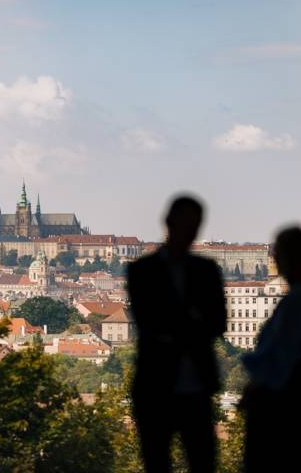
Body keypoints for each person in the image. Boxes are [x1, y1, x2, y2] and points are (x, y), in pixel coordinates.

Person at [127, 196, 226, 473]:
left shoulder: (206, 271)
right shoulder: (141, 271)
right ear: (168, 223)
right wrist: (193, 320)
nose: (189, 232)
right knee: (157, 463)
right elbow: (148, 323)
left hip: (197, 385)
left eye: (194, 227)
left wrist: (173, 323)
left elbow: (218, 323)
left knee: (203, 462)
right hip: (154, 386)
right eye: (185, 225)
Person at [240, 226, 301, 472]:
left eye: (278, 253)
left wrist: (254, 387)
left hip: (280, 402)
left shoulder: (298, 300)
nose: (274, 258)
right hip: (293, 396)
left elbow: (280, 355)